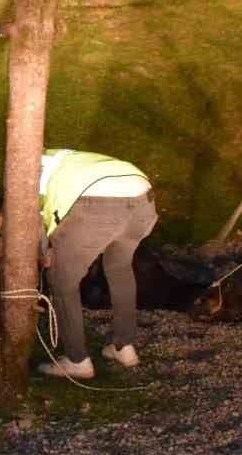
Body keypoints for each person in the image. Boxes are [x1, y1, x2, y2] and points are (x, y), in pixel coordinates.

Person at [34, 150, 158, 379]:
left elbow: (37, 217)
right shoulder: (66, 158)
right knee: (119, 268)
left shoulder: (32, 168)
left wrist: (45, 251)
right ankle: (125, 347)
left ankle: (76, 360)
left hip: (98, 204)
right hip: (143, 199)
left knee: (62, 281)